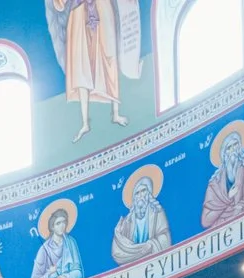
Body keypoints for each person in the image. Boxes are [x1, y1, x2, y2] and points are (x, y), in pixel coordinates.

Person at [45, 0, 134, 137]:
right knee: (80, 66)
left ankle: (115, 113)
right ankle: (85, 123)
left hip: (103, 10)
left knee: (109, 57)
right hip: (79, 14)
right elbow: (59, 5)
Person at [199, 121, 244, 230]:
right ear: (224, 153)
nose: (233, 150)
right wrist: (228, 198)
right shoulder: (215, 183)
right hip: (221, 226)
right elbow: (206, 220)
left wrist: (241, 207)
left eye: (235, 144)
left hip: (243, 216)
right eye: (229, 147)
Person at [111, 169, 171, 264]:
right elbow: (118, 251)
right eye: (137, 193)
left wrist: (151, 245)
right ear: (133, 198)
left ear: (149, 194)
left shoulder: (157, 212)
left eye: (143, 191)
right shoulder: (128, 221)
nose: (140, 196)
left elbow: (165, 238)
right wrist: (117, 233)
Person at [31, 201, 83, 278]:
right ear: (52, 227)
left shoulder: (71, 242)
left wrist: (65, 277)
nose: (62, 226)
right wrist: (50, 274)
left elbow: (78, 273)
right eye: (58, 223)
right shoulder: (44, 250)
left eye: (64, 222)